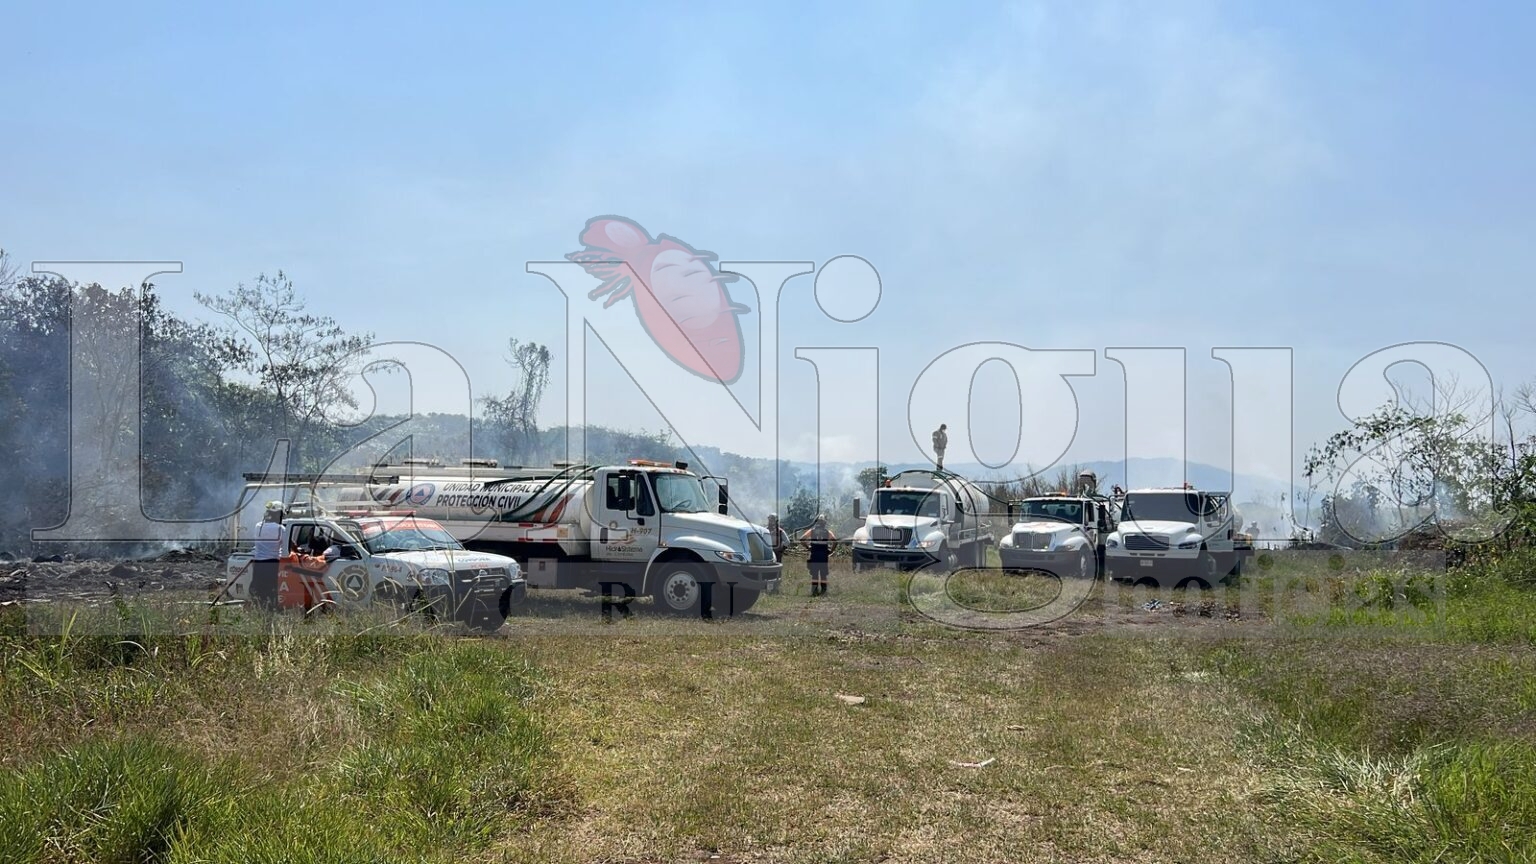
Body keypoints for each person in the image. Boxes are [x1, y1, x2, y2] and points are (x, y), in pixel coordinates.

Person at [249, 501, 285, 610]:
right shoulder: (280, 529)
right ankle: (270, 614)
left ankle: (259, 613)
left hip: (258, 564)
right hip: (272, 565)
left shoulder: (258, 526)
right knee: (271, 592)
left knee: (258, 591)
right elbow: (287, 546)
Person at [802, 514, 835, 597]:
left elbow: (802, 539)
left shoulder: (812, 531)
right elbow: (835, 541)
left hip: (814, 555)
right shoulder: (827, 532)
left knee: (814, 574)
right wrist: (831, 550)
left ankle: (814, 591)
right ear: (824, 523)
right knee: (823, 574)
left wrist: (808, 547)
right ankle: (823, 592)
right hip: (824, 556)